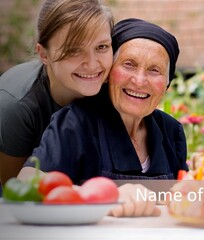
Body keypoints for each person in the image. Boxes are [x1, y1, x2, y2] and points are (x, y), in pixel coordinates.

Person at [19, 18, 188, 182]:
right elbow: (27, 180)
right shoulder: (76, 122)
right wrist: (106, 196)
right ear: (108, 73)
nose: (139, 81)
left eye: (154, 70)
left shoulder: (171, 131)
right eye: (129, 64)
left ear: (166, 84)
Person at [0, 0, 114, 186]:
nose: (93, 64)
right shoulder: (16, 105)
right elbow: (16, 191)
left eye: (101, 47)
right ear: (44, 54)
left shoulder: (115, 89)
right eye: (73, 50)